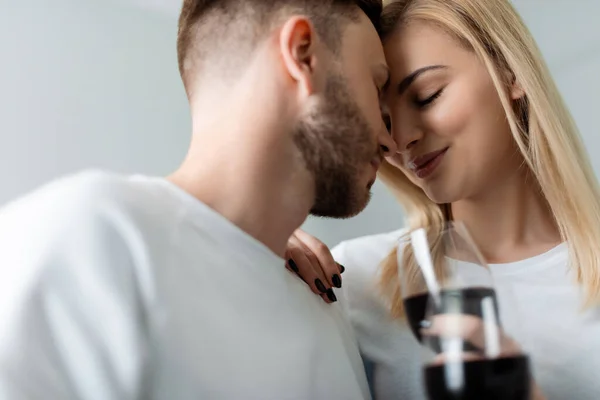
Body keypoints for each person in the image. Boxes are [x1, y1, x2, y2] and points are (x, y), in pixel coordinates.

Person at [0, 0, 397, 398]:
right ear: (302, 55)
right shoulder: (85, 240)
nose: (389, 139)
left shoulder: (323, 304)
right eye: (377, 86)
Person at [288, 0, 600, 399]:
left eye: (426, 96)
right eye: (382, 122)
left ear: (509, 70)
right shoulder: (353, 282)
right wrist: (263, 256)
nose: (401, 138)